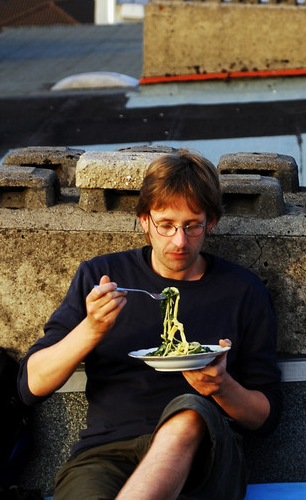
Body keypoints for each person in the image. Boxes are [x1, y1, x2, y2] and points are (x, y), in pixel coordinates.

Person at [19, 149, 282, 500]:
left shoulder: (242, 290)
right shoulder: (102, 277)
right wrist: (91, 329)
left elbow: (266, 417)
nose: (179, 241)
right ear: (144, 220)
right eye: (166, 225)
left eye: (192, 226)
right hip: (106, 455)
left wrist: (221, 387)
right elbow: (30, 385)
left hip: (208, 459)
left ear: (212, 222)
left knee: (189, 412)